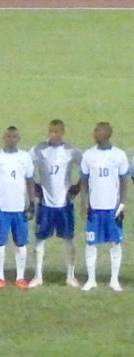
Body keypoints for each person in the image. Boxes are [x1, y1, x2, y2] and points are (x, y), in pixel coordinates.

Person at [29, 119, 82, 288]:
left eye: (56, 131)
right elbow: (24, 166)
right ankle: (38, 276)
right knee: (40, 239)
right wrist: (33, 185)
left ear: (62, 132)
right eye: (51, 131)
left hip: (64, 203)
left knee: (68, 239)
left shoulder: (71, 151)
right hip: (45, 203)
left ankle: (70, 276)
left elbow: (88, 168)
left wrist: (78, 187)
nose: (53, 134)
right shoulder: (39, 149)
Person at [79, 121, 129, 292]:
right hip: (95, 208)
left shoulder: (119, 155)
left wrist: (122, 203)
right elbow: (84, 181)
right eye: (95, 130)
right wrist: (83, 202)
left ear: (107, 134)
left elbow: (124, 181)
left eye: (99, 131)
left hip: (112, 208)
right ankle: (91, 279)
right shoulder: (88, 155)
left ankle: (114, 280)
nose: (95, 133)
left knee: (115, 243)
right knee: (91, 243)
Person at [0, 126, 36, 289]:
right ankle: (0, 278)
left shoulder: (25, 157)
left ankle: (20, 278)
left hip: (20, 209)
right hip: (2, 209)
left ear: (18, 139)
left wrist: (32, 202)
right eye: (9, 136)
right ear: (4, 137)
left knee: (21, 243)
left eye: (15, 136)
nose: (11, 139)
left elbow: (30, 181)